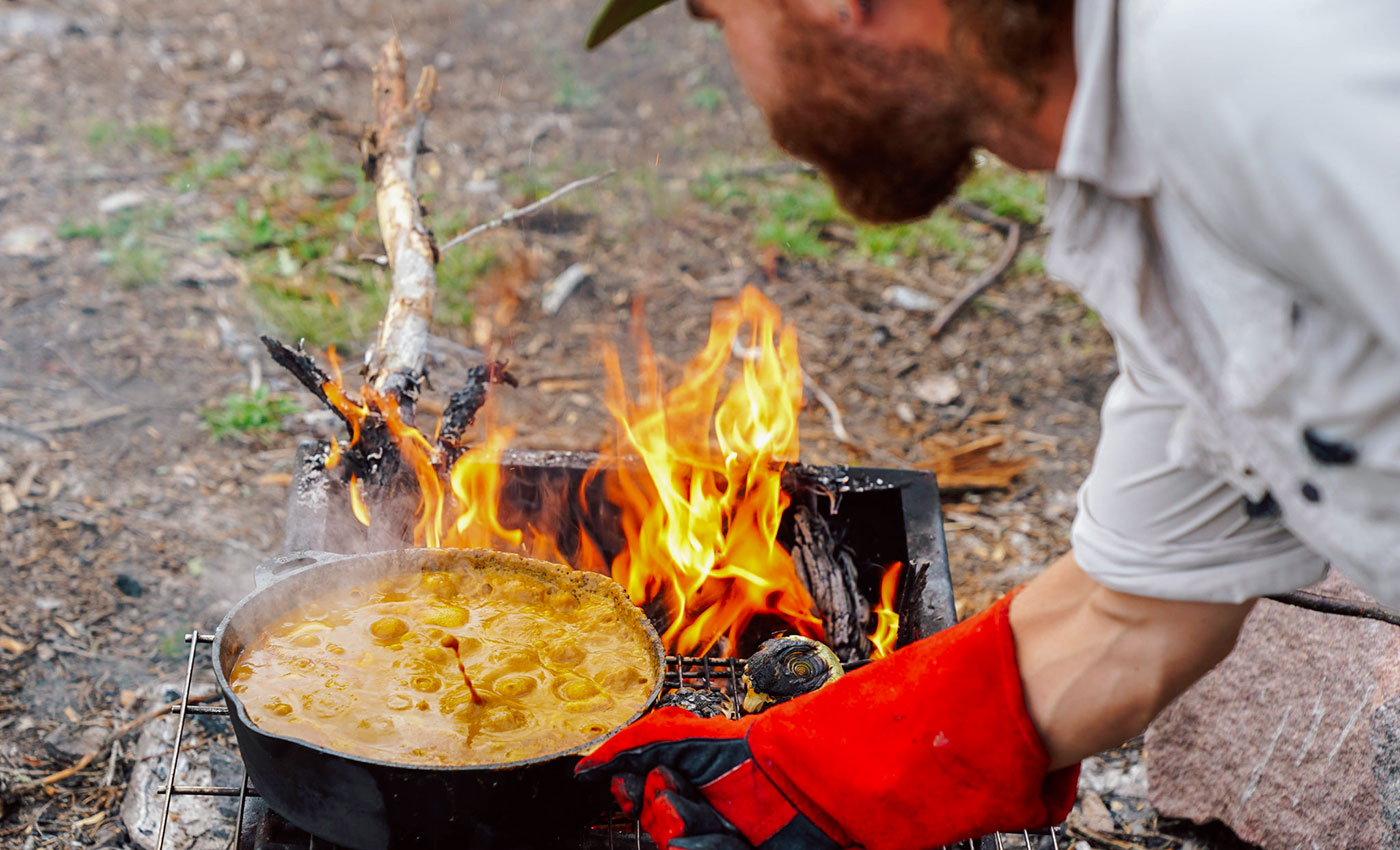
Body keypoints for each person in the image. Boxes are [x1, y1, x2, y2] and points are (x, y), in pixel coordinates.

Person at [574, 1, 1400, 848]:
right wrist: (800, 778)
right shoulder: (1164, 188)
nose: (746, 87)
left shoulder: (1262, 79)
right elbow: (1133, 615)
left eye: (717, 19)